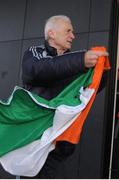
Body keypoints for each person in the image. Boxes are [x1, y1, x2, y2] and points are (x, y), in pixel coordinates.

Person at [21, 15, 108, 179]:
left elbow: (87, 92)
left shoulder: (76, 62)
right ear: (52, 34)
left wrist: (102, 72)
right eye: (68, 31)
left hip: (59, 146)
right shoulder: (35, 53)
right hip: (35, 141)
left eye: (72, 32)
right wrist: (81, 60)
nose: (73, 36)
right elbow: (38, 71)